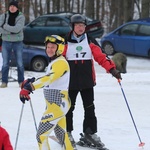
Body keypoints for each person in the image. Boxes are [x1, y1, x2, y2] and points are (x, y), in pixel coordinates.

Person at [63, 14, 122, 149]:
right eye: (77, 25)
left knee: (90, 109)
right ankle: (67, 132)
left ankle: (89, 133)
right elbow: (57, 59)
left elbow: (101, 57)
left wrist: (112, 70)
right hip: (69, 82)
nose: (80, 28)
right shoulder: (65, 41)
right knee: (68, 108)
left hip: (87, 81)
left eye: (83, 26)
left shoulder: (90, 41)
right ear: (72, 27)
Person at [19, 35, 76, 150]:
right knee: (61, 135)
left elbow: (50, 78)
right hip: (56, 105)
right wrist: (32, 81)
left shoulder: (60, 62)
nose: (49, 49)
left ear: (59, 48)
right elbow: (48, 78)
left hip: (57, 105)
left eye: (53, 47)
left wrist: (30, 87)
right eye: (48, 47)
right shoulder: (55, 62)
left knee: (41, 135)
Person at [0, 0, 25, 88]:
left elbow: (17, 29)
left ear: (17, 8)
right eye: (10, 6)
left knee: (20, 63)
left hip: (18, 42)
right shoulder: (4, 16)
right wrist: (10, 32)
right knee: (5, 63)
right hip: (6, 42)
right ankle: (4, 82)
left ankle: (21, 81)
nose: (12, 7)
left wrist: (5, 27)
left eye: (14, 6)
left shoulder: (21, 17)